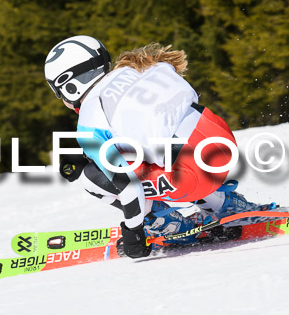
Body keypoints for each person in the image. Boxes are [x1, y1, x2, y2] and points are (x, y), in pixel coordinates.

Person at [44, 35, 273, 258]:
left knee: (87, 175)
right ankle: (225, 205)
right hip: (220, 142)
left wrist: (133, 230)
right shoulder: (134, 68)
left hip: (193, 175)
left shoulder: (89, 122)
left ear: (70, 86)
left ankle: (165, 223)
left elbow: (128, 187)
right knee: (156, 150)